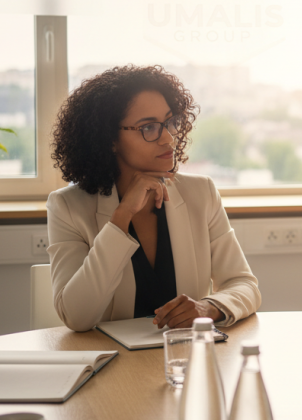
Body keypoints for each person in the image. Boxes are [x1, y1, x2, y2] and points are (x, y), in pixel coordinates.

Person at [47, 65, 261, 332]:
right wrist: (121, 218)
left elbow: (244, 284)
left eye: (170, 123)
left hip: (188, 359)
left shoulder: (201, 192)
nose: (169, 138)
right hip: (116, 365)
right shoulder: (68, 207)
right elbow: (77, 317)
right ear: (109, 139)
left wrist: (208, 307)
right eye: (149, 127)